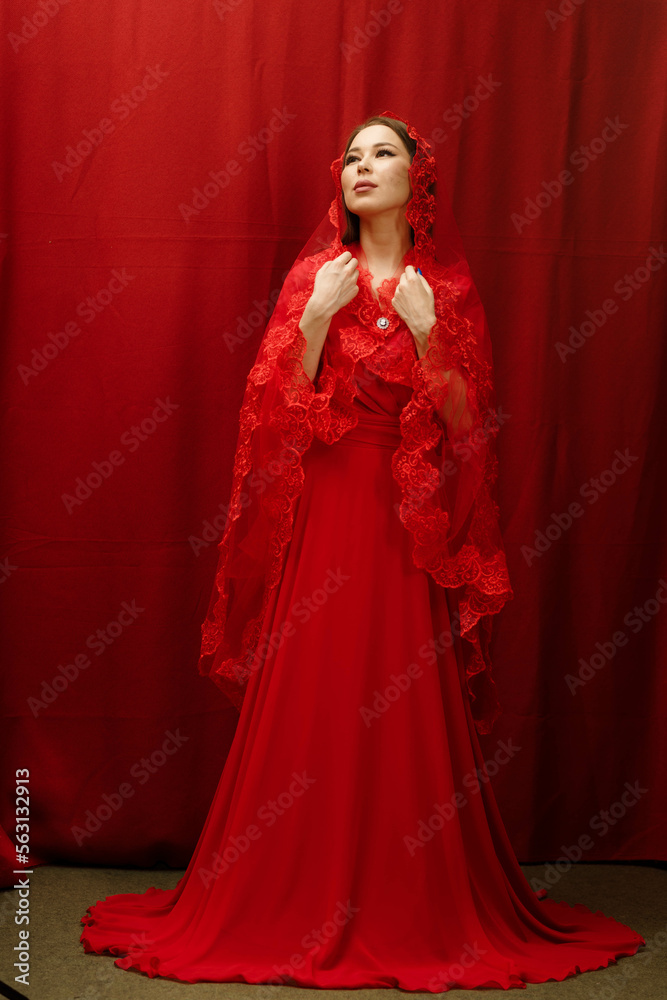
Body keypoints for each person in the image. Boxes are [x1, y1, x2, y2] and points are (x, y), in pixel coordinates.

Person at [80, 111, 645, 989]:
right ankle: (283, 890)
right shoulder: (317, 276)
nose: (360, 166)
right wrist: (315, 322)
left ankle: (410, 894)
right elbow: (270, 417)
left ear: (418, 179)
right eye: (350, 156)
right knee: (314, 688)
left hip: (405, 531)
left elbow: (468, 431)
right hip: (325, 519)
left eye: (382, 153)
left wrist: (426, 331)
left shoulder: (444, 289)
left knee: (402, 701)